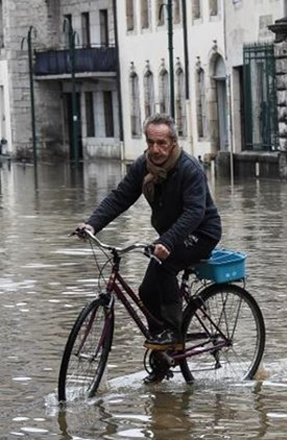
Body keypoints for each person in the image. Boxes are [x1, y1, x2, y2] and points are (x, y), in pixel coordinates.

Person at [77, 113, 222, 382]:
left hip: (201, 233)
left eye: (162, 143)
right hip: (170, 235)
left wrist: (166, 241)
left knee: (165, 267)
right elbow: (120, 197)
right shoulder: (144, 166)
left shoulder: (189, 169)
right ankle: (163, 357)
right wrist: (92, 225)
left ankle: (172, 333)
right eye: (151, 142)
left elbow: (194, 213)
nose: (155, 149)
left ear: (172, 143)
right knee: (145, 290)